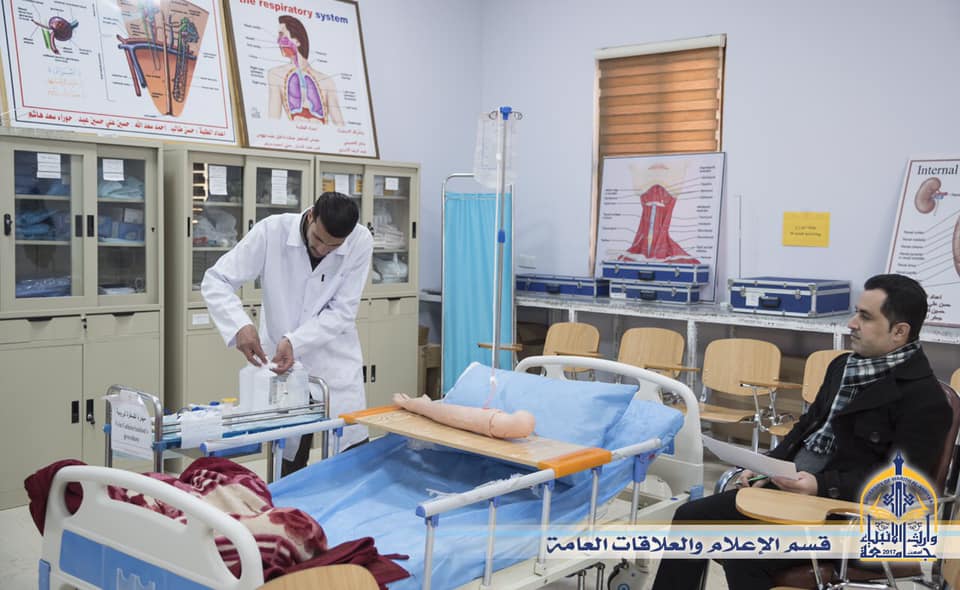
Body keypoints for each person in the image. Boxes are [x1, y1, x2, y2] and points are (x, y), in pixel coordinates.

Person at [651, 274, 951, 590]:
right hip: (793, 493)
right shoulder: (843, 367)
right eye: (856, 313)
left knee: (746, 552)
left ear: (899, 332)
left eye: (865, 317)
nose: (851, 324)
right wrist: (764, 468)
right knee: (690, 516)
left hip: (850, 518)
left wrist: (820, 485)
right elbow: (806, 429)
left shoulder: (925, 400)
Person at [202, 192, 373, 476]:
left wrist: (295, 341)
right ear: (311, 216)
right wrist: (239, 324)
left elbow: (343, 311)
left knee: (351, 460)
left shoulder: (360, 240)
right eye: (318, 239)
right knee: (288, 460)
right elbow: (217, 279)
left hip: (334, 361)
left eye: (333, 247)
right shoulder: (272, 231)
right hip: (283, 367)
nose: (322, 250)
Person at [267, 15, 344, 125]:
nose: (278, 41)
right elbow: (273, 122)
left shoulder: (327, 81)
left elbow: (340, 126)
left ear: (297, 41)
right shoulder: (275, 74)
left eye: (281, 35)